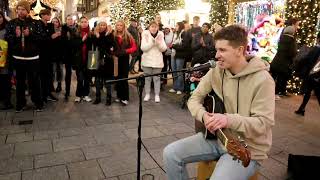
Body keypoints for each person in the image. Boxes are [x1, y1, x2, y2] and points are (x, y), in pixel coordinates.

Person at [163, 25, 275, 180]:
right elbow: (194, 98)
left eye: (222, 50)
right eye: (217, 50)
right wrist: (204, 116)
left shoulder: (263, 80)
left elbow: (264, 123)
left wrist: (228, 119)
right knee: (171, 153)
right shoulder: (217, 71)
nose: (216, 55)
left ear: (239, 50)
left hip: (249, 149)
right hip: (218, 139)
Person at [5, 1, 45, 112]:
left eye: (23, 9)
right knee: (20, 83)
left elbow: (42, 38)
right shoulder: (12, 23)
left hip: (32, 58)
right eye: (19, 9)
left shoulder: (36, 23)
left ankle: (38, 103)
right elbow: (8, 39)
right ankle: (20, 103)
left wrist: (30, 34)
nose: (20, 11)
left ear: (28, 11)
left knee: (35, 82)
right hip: (18, 58)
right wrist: (16, 36)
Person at [294, 32, 320, 116]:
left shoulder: (316, 48)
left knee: (311, 92)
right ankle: (302, 108)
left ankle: (302, 109)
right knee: (308, 92)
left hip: (313, 74)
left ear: (318, 39)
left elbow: (308, 59)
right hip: (315, 75)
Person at [141, 21, 167, 103]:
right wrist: (152, 43)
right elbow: (143, 48)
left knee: (156, 79)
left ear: (157, 28)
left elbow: (164, 49)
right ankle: (147, 94)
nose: (154, 28)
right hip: (147, 60)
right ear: (149, 27)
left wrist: (158, 44)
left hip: (157, 61)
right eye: (152, 26)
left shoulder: (160, 35)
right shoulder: (145, 34)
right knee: (147, 79)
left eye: (155, 27)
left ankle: (157, 95)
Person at [113, 20, 137, 105]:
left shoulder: (128, 36)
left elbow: (134, 47)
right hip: (116, 59)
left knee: (124, 78)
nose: (119, 27)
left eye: (121, 25)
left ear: (123, 27)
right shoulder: (113, 36)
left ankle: (125, 97)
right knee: (118, 78)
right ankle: (119, 96)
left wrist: (126, 51)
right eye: (118, 25)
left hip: (125, 59)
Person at [92, 19, 115, 105]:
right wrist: (97, 36)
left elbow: (111, 45)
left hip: (107, 60)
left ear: (106, 26)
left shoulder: (110, 35)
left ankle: (108, 98)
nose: (102, 26)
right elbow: (95, 46)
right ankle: (98, 97)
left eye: (104, 25)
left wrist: (105, 36)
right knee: (97, 79)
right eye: (101, 25)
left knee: (107, 80)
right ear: (98, 26)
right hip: (97, 59)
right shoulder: (95, 35)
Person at [270, 26, 297, 99]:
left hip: (276, 61)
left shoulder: (281, 38)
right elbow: (292, 52)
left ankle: (269, 92)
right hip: (284, 63)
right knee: (280, 79)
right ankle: (276, 93)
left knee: (273, 77)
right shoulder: (291, 40)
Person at [39, 9, 58, 103]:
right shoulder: (38, 24)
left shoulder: (50, 25)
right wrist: (51, 37)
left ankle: (48, 93)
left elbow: (52, 38)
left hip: (49, 54)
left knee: (49, 75)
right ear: (42, 15)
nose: (50, 16)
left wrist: (54, 35)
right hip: (42, 55)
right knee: (43, 75)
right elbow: (41, 39)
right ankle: (43, 95)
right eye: (48, 15)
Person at [72, 16, 92, 103]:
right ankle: (78, 95)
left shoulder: (91, 33)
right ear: (80, 23)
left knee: (87, 78)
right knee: (80, 78)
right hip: (79, 60)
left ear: (88, 23)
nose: (84, 23)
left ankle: (86, 94)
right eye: (82, 22)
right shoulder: (76, 33)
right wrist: (82, 40)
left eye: (85, 22)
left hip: (89, 59)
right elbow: (74, 47)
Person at [169, 22, 191, 95]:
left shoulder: (184, 34)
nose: (175, 27)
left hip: (180, 55)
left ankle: (180, 88)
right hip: (173, 54)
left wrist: (174, 46)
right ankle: (175, 87)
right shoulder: (175, 34)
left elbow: (184, 46)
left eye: (176, 25)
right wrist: (173, 45)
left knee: (179, 71)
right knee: (174, 71)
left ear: (180, 26)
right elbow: (174, 43)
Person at [61, 15, 77, 101]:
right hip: (67, 55)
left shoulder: (77, 29)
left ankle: (79, 93)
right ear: (66, 21)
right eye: (68, 19)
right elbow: (63, 43)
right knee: (68, 74)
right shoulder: (63, 29)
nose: (70, 21)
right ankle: (67, 92)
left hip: (76, 55)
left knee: (78, 73)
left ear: (74, 21)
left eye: (71, 19)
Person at [0, 10, 13, 110]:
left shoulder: (7, 29)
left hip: (5, 59)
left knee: (5, 81)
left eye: (0, 17)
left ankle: (7, 101)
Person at [50, 17, 63, 93]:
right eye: (53, 22)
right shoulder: (49, 31)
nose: (55, 23)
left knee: (60, 70)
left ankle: (59, 85)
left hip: (60, 54)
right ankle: (51, 85)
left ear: (59, 23)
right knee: (52, 71)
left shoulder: (62, 31)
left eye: (56, 22)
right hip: (52, 54)